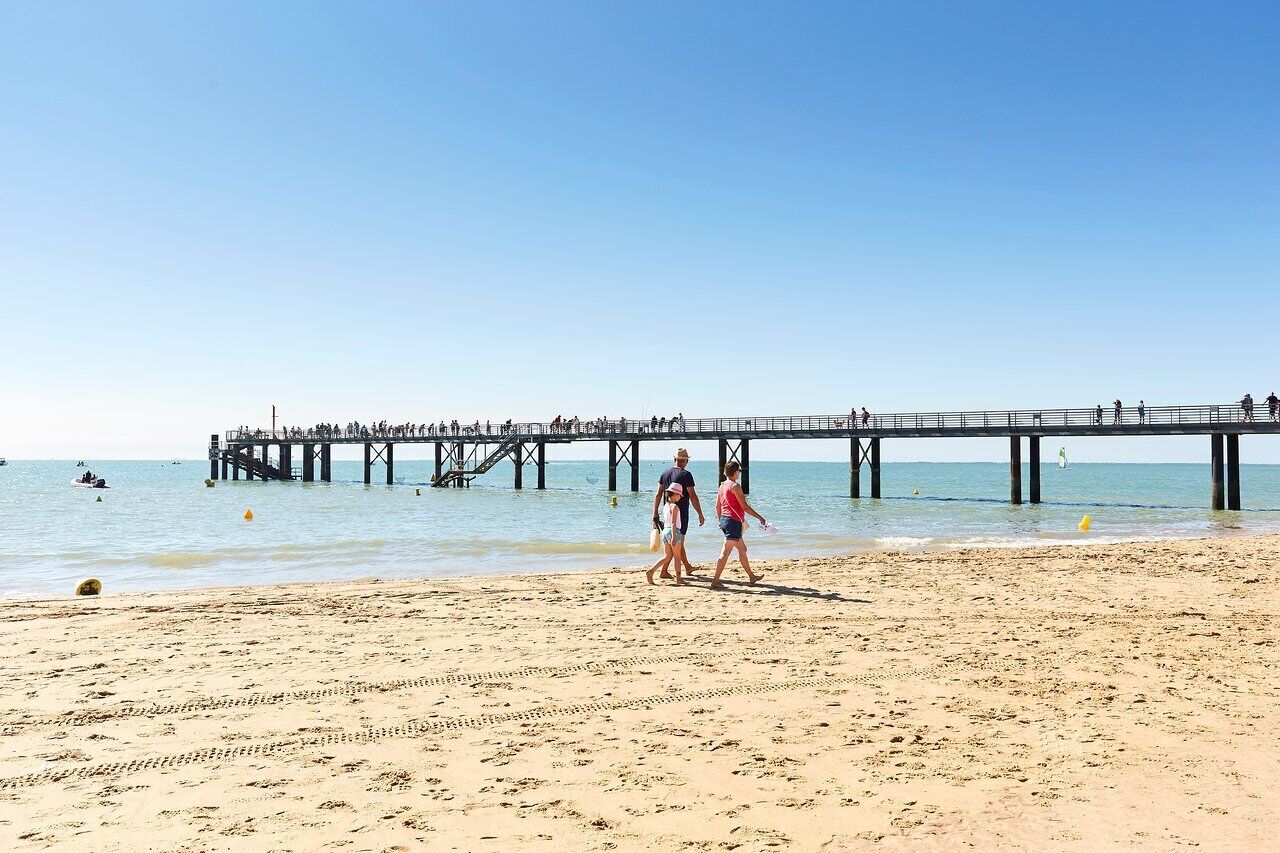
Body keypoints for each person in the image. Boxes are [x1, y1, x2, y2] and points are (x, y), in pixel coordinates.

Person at [710, 461, 765, 589]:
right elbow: (745, 507)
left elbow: (717, 506)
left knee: (743, 550)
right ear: (735, 472)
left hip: (725, 520)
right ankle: (715, 581)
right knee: (725, 553)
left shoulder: (722, 486)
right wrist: (760, 517)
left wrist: (721, 521)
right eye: (738, 471)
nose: (739, 474)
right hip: (733, 522)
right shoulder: (735, 486)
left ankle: (751, 576)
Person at [652, 448, 704, 578]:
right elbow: (693, 496)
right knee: (677, 542)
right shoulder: (686, 475)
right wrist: (700, 514)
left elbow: (658, 494)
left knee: (675, 542)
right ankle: (664, 571)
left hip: (666, 512)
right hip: (680, 513)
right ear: (686, 461)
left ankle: (687, 567)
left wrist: (655, 513)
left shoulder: (664, 473)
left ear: (675, 459)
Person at [647, 483, 689, 586]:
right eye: (679, 495)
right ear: (675, 494)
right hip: (673, 532)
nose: (680, 497)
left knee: (667, 556)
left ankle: (651, 571)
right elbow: (673, 523)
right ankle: (678, 579)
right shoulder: (675, 507)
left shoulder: (665, 506)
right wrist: (674, 537)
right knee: (677, 557)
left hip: (665, 531)